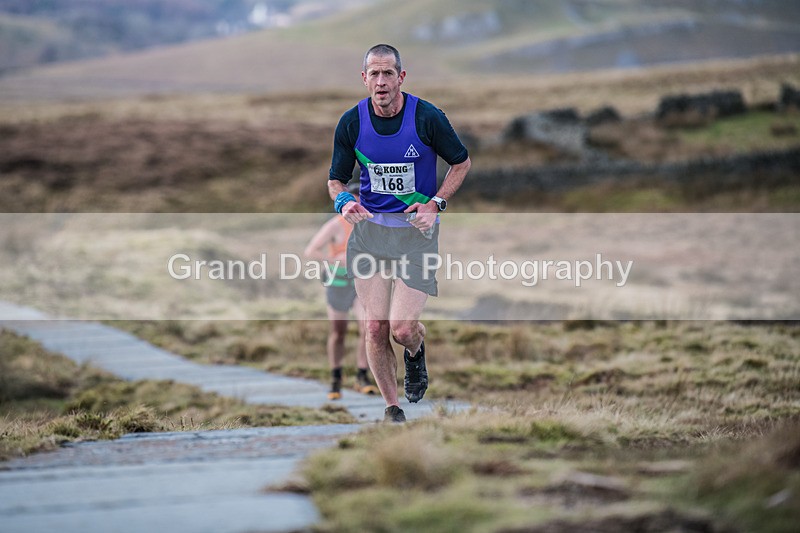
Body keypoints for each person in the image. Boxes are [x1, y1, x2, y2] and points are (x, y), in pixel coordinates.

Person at [327, 44, 471, 423]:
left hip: (415, 236)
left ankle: (415, 350)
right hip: (370, 235)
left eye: (388, 73)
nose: (380, 81)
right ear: (364, 79)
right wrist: (343, 201)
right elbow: (335, 180)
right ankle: (392, 408)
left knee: (402, 328)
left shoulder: (427, 117)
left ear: (401, 77)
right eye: (373, 74)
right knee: (374, 326)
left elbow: (461, 162)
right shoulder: (351, 122)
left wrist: (435, 204)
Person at [304, 181, 378, 400]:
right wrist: (334, 259)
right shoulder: (336, 224)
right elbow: (311, 251)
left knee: (368, 327)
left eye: (362, 201)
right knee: (339, 331)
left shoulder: (372, 222)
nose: (358, 206)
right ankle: (336, 379)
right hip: (338, 281)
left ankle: (362, 376)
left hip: (362, 281)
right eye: (354, 201)